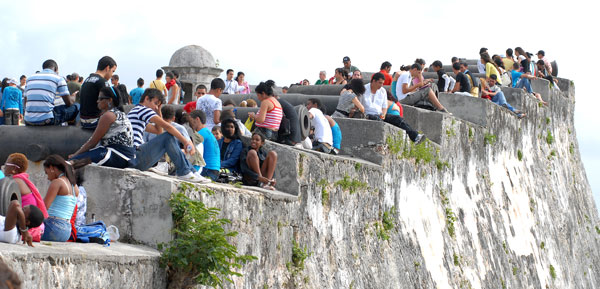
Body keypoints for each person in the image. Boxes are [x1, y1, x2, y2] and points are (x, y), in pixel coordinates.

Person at [128, 88, 209, 182]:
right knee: (168, 136)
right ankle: (185, 172)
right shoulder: (142, 110)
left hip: (135, 157)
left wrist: (159, 112)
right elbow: (168, 127)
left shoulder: (136, 112)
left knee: (166, 137)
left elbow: (158, 131)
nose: (155, 107)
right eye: (155, 103)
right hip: (135, 156)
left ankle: (191, 171)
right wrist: (186, 142)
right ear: (146, 99)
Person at [69, 87, 135, 168]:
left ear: (110, 100)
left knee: (71, 162)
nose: (97, 101)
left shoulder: (108, 115)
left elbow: (92, 143)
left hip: (118, 155)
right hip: (127, 155)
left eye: (100, 99)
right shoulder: (119, 113)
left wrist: (75, 155)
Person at [363, 73, 424, 143]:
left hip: (379, 114)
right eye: (380, 83)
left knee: (398, 119)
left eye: (382, 83)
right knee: (377, 119)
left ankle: (415, 136)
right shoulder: (364, 89)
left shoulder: (382, 91)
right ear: (373, 81)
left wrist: (383, 114)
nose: (381, 85)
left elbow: (384, 107)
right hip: (368, 114)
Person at [3, 153, 49, 242]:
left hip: (26, 222)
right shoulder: (21, 180)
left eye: (6, 165)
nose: (4, 167)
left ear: (14, 169)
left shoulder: (15, 182)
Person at [24, 59, 78, 126]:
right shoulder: (58, 78)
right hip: (46, 120)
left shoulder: (29, 78)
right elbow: (69, 103)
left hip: (28, 120)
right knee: (76, 107)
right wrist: (73, 96)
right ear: (56, 69)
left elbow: (25, 102)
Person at [41, 155, 79, 242]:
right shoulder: (74, 186)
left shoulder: (57, 182)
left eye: (47, 173)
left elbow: (44, 208)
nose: (47, 177)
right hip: (66, 232)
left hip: (53, 229)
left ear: (51, 168)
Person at [79, 56, 116, 129]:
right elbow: (110, 105)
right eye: (113, 71)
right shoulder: (103, 82)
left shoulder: (87, 79)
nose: (112, 75)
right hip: (94, 122)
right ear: (107, 68)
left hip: (83, 121)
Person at [190, 110, 221, 181]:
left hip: (207, 170)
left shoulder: (201, 134)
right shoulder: (207, 132)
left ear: (197, 119)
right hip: (214, 170)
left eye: (191, 121)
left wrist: (194, 173)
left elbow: (197, 155)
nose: (190, 124)